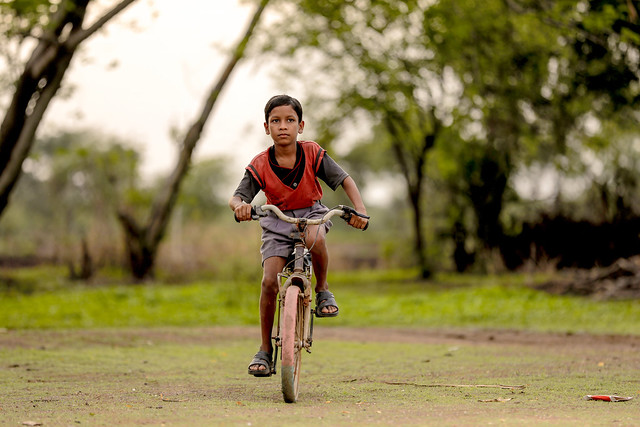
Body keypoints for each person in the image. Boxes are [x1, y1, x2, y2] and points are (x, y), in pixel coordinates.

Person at [229, 94, 369, 376]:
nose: (283, 126)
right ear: (266, 128)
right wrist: (241, 208)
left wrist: (360, 209)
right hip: (276, 220)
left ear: (300, 126)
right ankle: (265, 349)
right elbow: (237, 197)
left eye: (290, 120)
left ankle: (322, 289)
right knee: (269, 281)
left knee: (315, 236)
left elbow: (344, 180)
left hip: (311, 214)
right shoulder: (259, 164)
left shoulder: (313, 153)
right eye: (276, 121)